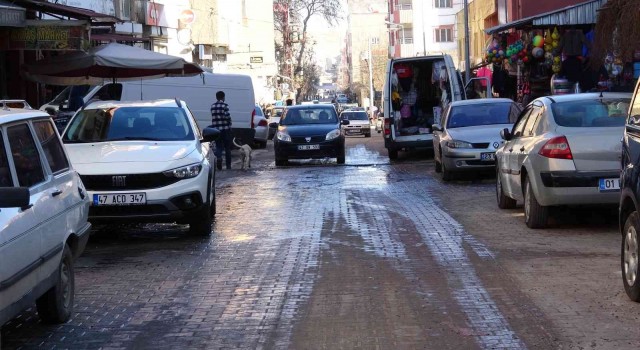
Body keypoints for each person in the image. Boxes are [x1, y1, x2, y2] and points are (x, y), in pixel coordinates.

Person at [211, 90, 233, 170]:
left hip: (216, 130)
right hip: (225, 129)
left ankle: (219, 159)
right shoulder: (225, 105)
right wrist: (230, 123)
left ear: (216, 97)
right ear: (223, 97)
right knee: (227, 147)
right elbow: (227, 117)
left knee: (219, 146)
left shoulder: (212, 106)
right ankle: (228, 166)